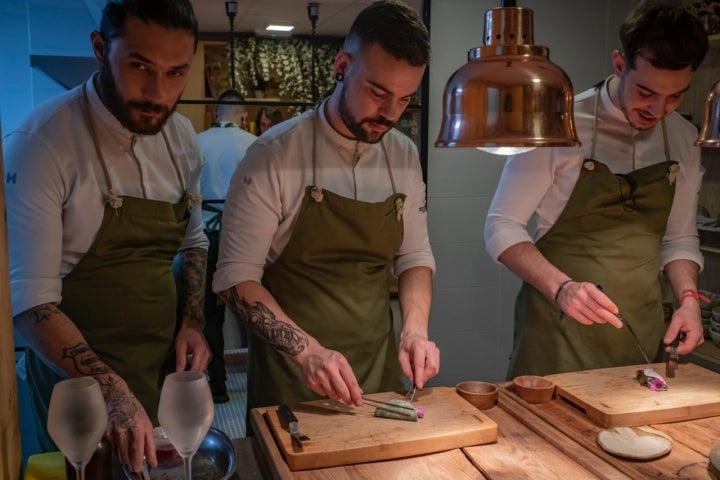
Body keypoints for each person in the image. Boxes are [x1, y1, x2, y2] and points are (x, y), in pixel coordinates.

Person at [5, 0, 211, 473]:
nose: (158, 94)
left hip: (158, 367)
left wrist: (193, 321)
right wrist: (111, 390)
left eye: (176, 73)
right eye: (140, 67)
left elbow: (193, 244)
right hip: (72, 385)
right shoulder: (40, 145)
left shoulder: (181, 137)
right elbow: (30, 303)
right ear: (100, 49)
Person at [214, 0, 439, 411]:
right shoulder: (274, 154)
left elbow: (416, 255)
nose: (390, 113)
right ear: (342, 67)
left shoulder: (403, 154)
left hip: (379, 375)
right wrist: (309, 353)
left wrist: (414, 331)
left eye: (405, 99)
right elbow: (235, 279)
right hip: (295, 383)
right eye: (377, 92)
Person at [483, 0, 709, 379]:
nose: (658, 109)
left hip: (639, 335)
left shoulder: (684, 139)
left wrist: (688, 300)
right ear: (620, 65)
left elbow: (680, 239)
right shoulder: (561, 123)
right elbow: (500, 227)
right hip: (558, 335)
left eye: (675, 97)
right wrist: (563, 288)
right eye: (646, 92)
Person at [197, 89, 257, 403]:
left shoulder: (196, 141)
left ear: (216, 112)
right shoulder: (253, 144)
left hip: (205, 236)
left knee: (210, 315)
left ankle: (217, 386)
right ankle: (256, 379)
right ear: (243, 114)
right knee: (253, 309)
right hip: (243, 237)